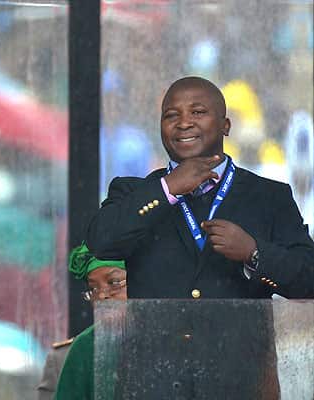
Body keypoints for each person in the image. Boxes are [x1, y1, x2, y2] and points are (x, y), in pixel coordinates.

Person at [86, 76, 312, 398]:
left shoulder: (269, 196)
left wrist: (255, 253)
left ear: (226, 125)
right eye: (171, 115)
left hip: (239, 386)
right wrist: (167, 190)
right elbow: (100, 241)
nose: (183, 123)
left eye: (197, 112)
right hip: (151, 386)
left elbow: (309, 279)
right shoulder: (132, 192)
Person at [50, 243, 126, 400]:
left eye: (114, 282)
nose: (102, 296)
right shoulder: (86, 346)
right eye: (94, 289)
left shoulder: (172, 336)